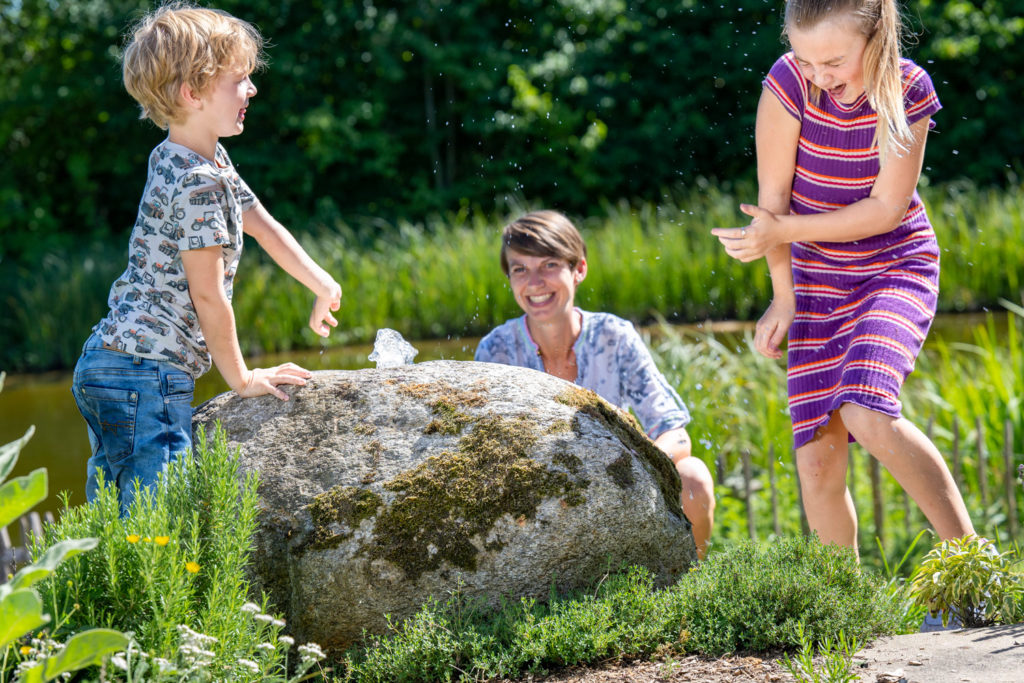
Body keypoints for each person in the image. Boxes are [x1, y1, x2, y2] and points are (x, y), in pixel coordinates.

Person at [711, 0, 975, 552]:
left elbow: (884, 209)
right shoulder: (789, 83)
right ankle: (847, 609)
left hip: (894, 265)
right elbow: (772, 206)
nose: (818, 77)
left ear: (875, 38)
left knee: (865, 407)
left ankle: (974, 568)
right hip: (814, 279)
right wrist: (783, 299)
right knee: (818, 464)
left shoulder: (906, 89)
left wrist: (782, 232)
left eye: (832, 61)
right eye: (805, 60)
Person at [71, 5, 342, 513]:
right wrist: (242, 379)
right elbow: (208, 295)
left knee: (114, 514)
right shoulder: (198, 183)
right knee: (156, 521)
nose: (252, 90)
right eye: (240, 80)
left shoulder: (187, 156)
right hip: (147, 373)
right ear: (191, 93)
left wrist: (321, 283)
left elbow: (259, 222)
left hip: (111, 361)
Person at [475, 210, 716, 559]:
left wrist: (629, 466)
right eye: (520, 269)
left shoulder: (614, 336)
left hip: (620, 486)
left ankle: (691, 586)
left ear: (580, 270)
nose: (535, 282)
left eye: (549, 265)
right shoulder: (495, 349)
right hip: (536, 502)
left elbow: (675, 433)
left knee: (693, 474)